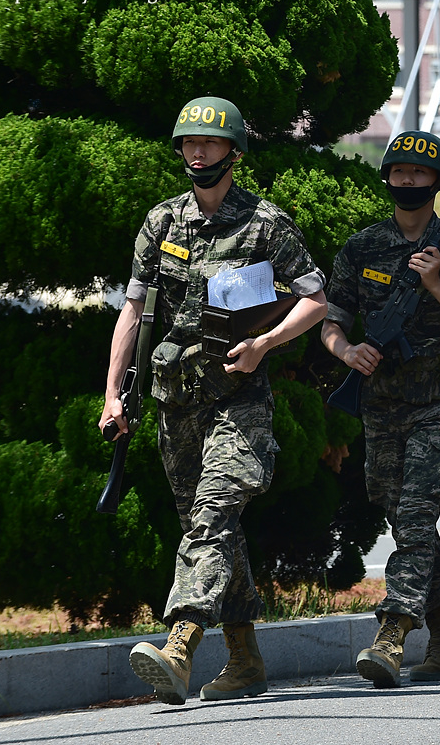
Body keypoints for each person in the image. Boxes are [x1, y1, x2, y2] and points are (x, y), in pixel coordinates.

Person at [100, 96, 328, 705]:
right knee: (210, 532)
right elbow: (133, 310)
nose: (197, 154)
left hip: (239, 401)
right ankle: (246, 659)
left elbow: (315, 299)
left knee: (213, 514)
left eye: (209, 144)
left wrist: (265, 344)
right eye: (188, 144)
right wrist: (112, 395)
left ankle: (180, 644)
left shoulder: (265, 224)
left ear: (233, 151)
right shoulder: (163, 223)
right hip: (177, 405)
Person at [322, 130, 440, 688]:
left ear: (438, 181)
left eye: (420, 173)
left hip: (438, 404)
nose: (408, 181)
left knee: (415, 517)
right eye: (400, 172)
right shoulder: (361, 248)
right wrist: (347, 349)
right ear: (387, 176)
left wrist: (434, 283)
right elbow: (331, 320)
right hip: (379, 405)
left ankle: (391, 635)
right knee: (397, 511)